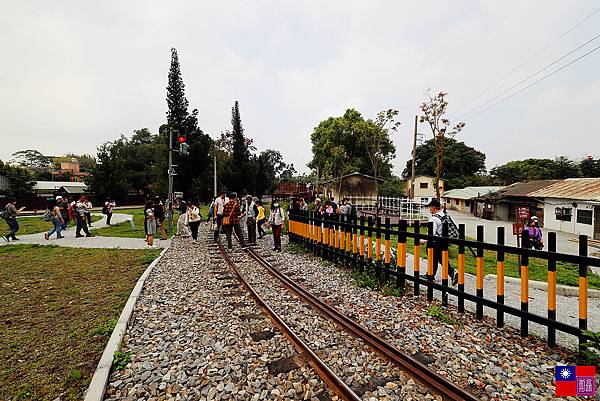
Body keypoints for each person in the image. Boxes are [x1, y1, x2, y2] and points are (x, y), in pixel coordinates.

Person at [421, 199, 458, 286]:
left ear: (433, 207)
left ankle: (430, 276)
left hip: (434, 242)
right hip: (443, 242)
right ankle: (452, 273)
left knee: (433, 259)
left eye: (430, 207)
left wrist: (423, 240)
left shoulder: (433, 219)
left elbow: (431, 233)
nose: (429, 209)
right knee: (441, 259)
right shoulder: (445, 215)